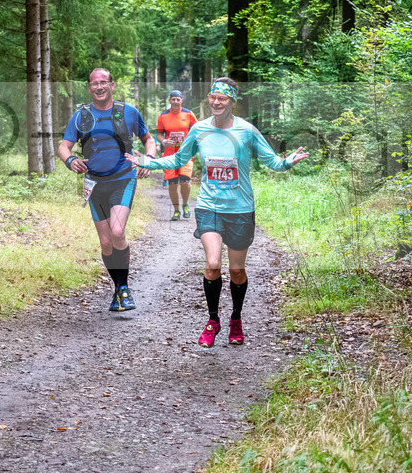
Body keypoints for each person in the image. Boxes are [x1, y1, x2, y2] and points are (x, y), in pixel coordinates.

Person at [128, 77, 308, 347]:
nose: (216, 102)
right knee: (213, 264)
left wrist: (287, 162)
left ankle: (236, 318)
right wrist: (148, 162)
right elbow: (179, 159)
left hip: (240, 209)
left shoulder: (247, 131)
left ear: (232, 101)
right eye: (213, 97)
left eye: (222, 98)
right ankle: (213, 320)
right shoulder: (199, 130)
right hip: (209, 206)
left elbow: (272, 161)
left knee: (237, 271)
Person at [58, 68, 156, 312]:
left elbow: (148, 140)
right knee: (105, 242)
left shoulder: (128, 112)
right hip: (94, 183)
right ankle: (118, 290)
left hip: (123, 178)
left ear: (112, 85)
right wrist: (70, 161)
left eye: (104, 82)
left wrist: (148, 159)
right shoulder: (81, 116)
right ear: (89, 88)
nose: (99, 87)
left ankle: (123, 289)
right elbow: (64, 146)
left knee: (117, 231)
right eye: (94, 84)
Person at [155, 89, 199, 221]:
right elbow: (158, 134)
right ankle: (176, 210)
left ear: (181, 101)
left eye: (177, 99)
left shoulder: (189, 114)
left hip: (185, 154)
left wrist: (192, 143)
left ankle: (185, 204)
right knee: (172, 184)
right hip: (169, 154)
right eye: (173, 99)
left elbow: (198, 131)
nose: (175, 102)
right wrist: (163, 141)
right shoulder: (163, 116)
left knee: (185, 181)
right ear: (169, 101)